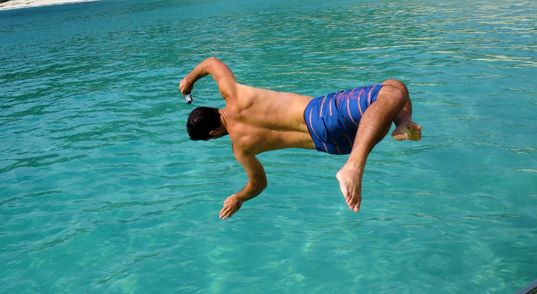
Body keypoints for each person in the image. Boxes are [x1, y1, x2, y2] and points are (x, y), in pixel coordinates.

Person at [179, 57, 421, 219]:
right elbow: (211, 63)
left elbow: (259, 184)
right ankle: (355, 166)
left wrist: (238, 197)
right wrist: (189, 81)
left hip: (335, 145)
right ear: (212, 110)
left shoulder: (240, 150)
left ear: (212, 134)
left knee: (384, 104)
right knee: (393, 91)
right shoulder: (232, 93)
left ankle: (401, 124)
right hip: (321, 115)